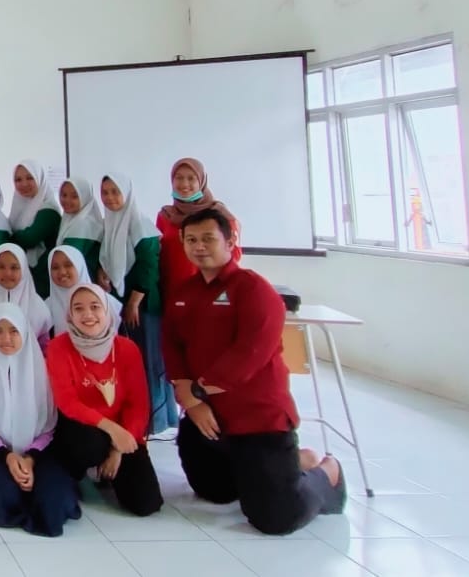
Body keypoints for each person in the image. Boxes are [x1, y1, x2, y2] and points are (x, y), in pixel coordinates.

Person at [164, 210, 346, 535]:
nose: (199, 247)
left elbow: (250, 355)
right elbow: (172, 345)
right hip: (207, 418)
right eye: (191, 240)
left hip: (257, 420)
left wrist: (198, 392)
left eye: (208, 239)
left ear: (230, 241)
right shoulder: (183, 293)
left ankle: (325, 473)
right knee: (215, 492)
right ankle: (283, 466)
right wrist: (191, 402)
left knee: (275, 518)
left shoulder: (253, 290)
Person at [0, 304, 80, 537]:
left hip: (40, 452)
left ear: (24, 333)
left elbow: (50, 426)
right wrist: (8, 456)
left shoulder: (43, 371)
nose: (6, 338)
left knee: (52, 502)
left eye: (13, 331)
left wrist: (30, 459)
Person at [45, 283, 163, 517]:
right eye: (79, 309)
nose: (87, 314)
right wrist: (110, 429)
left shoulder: (126, 348)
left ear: (107, 310)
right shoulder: (59, 346)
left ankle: (107, 468)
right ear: (70, 315)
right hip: (81, 431)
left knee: (146, 503)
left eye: (95, 307)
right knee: (89, 444)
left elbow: (138, 404)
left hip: (122, 431)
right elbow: (67, 401)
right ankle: (76, 474)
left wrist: (118, 450)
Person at [99, 173, 177, 434]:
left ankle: (153, 419)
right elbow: (109, 258)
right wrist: (103, 272)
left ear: (127, 194)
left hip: (142, 306)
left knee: (147, 360)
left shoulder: (141, 224)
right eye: (105, 192)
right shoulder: (111, 223)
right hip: (121, 302)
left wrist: (133, 303)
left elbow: (148, 268)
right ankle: (133, 416)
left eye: (115, 192)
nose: (110, 198)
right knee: (128, 363)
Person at [155, 158, 241, 297]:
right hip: (171, 291)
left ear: (201, 181)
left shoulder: (219, 215)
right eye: (179, 178)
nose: (184, 184)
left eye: (191, 178)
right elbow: (158, 255)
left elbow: (234, 255)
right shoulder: (165, 216)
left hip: (209, 291)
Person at [8, 161, 63, 297]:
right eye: (18, 180)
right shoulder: (20, 207)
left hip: (43, 276)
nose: (24, 184)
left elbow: (29, 239)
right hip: (25, 273)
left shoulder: (48, 210)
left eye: (30, 178)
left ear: (40, 179)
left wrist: (8, 236)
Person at [44, 245, 121, 338]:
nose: (62, 272)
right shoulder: (45, 308)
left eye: (68, 265)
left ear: (79, 266)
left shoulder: (105, 301)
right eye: (55, 268)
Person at [0, 244, 50, 347]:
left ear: (24, 270)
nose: (7, 273)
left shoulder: (38, 309)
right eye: (1, 267)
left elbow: (44, 348)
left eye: (14, 268)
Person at [54, 176, 104, 288]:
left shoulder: (83, 224)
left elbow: (66, 259)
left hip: (81, 284)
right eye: (64, 195)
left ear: (84, 197)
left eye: (74, 196)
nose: (67, 200)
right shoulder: (72, 220)